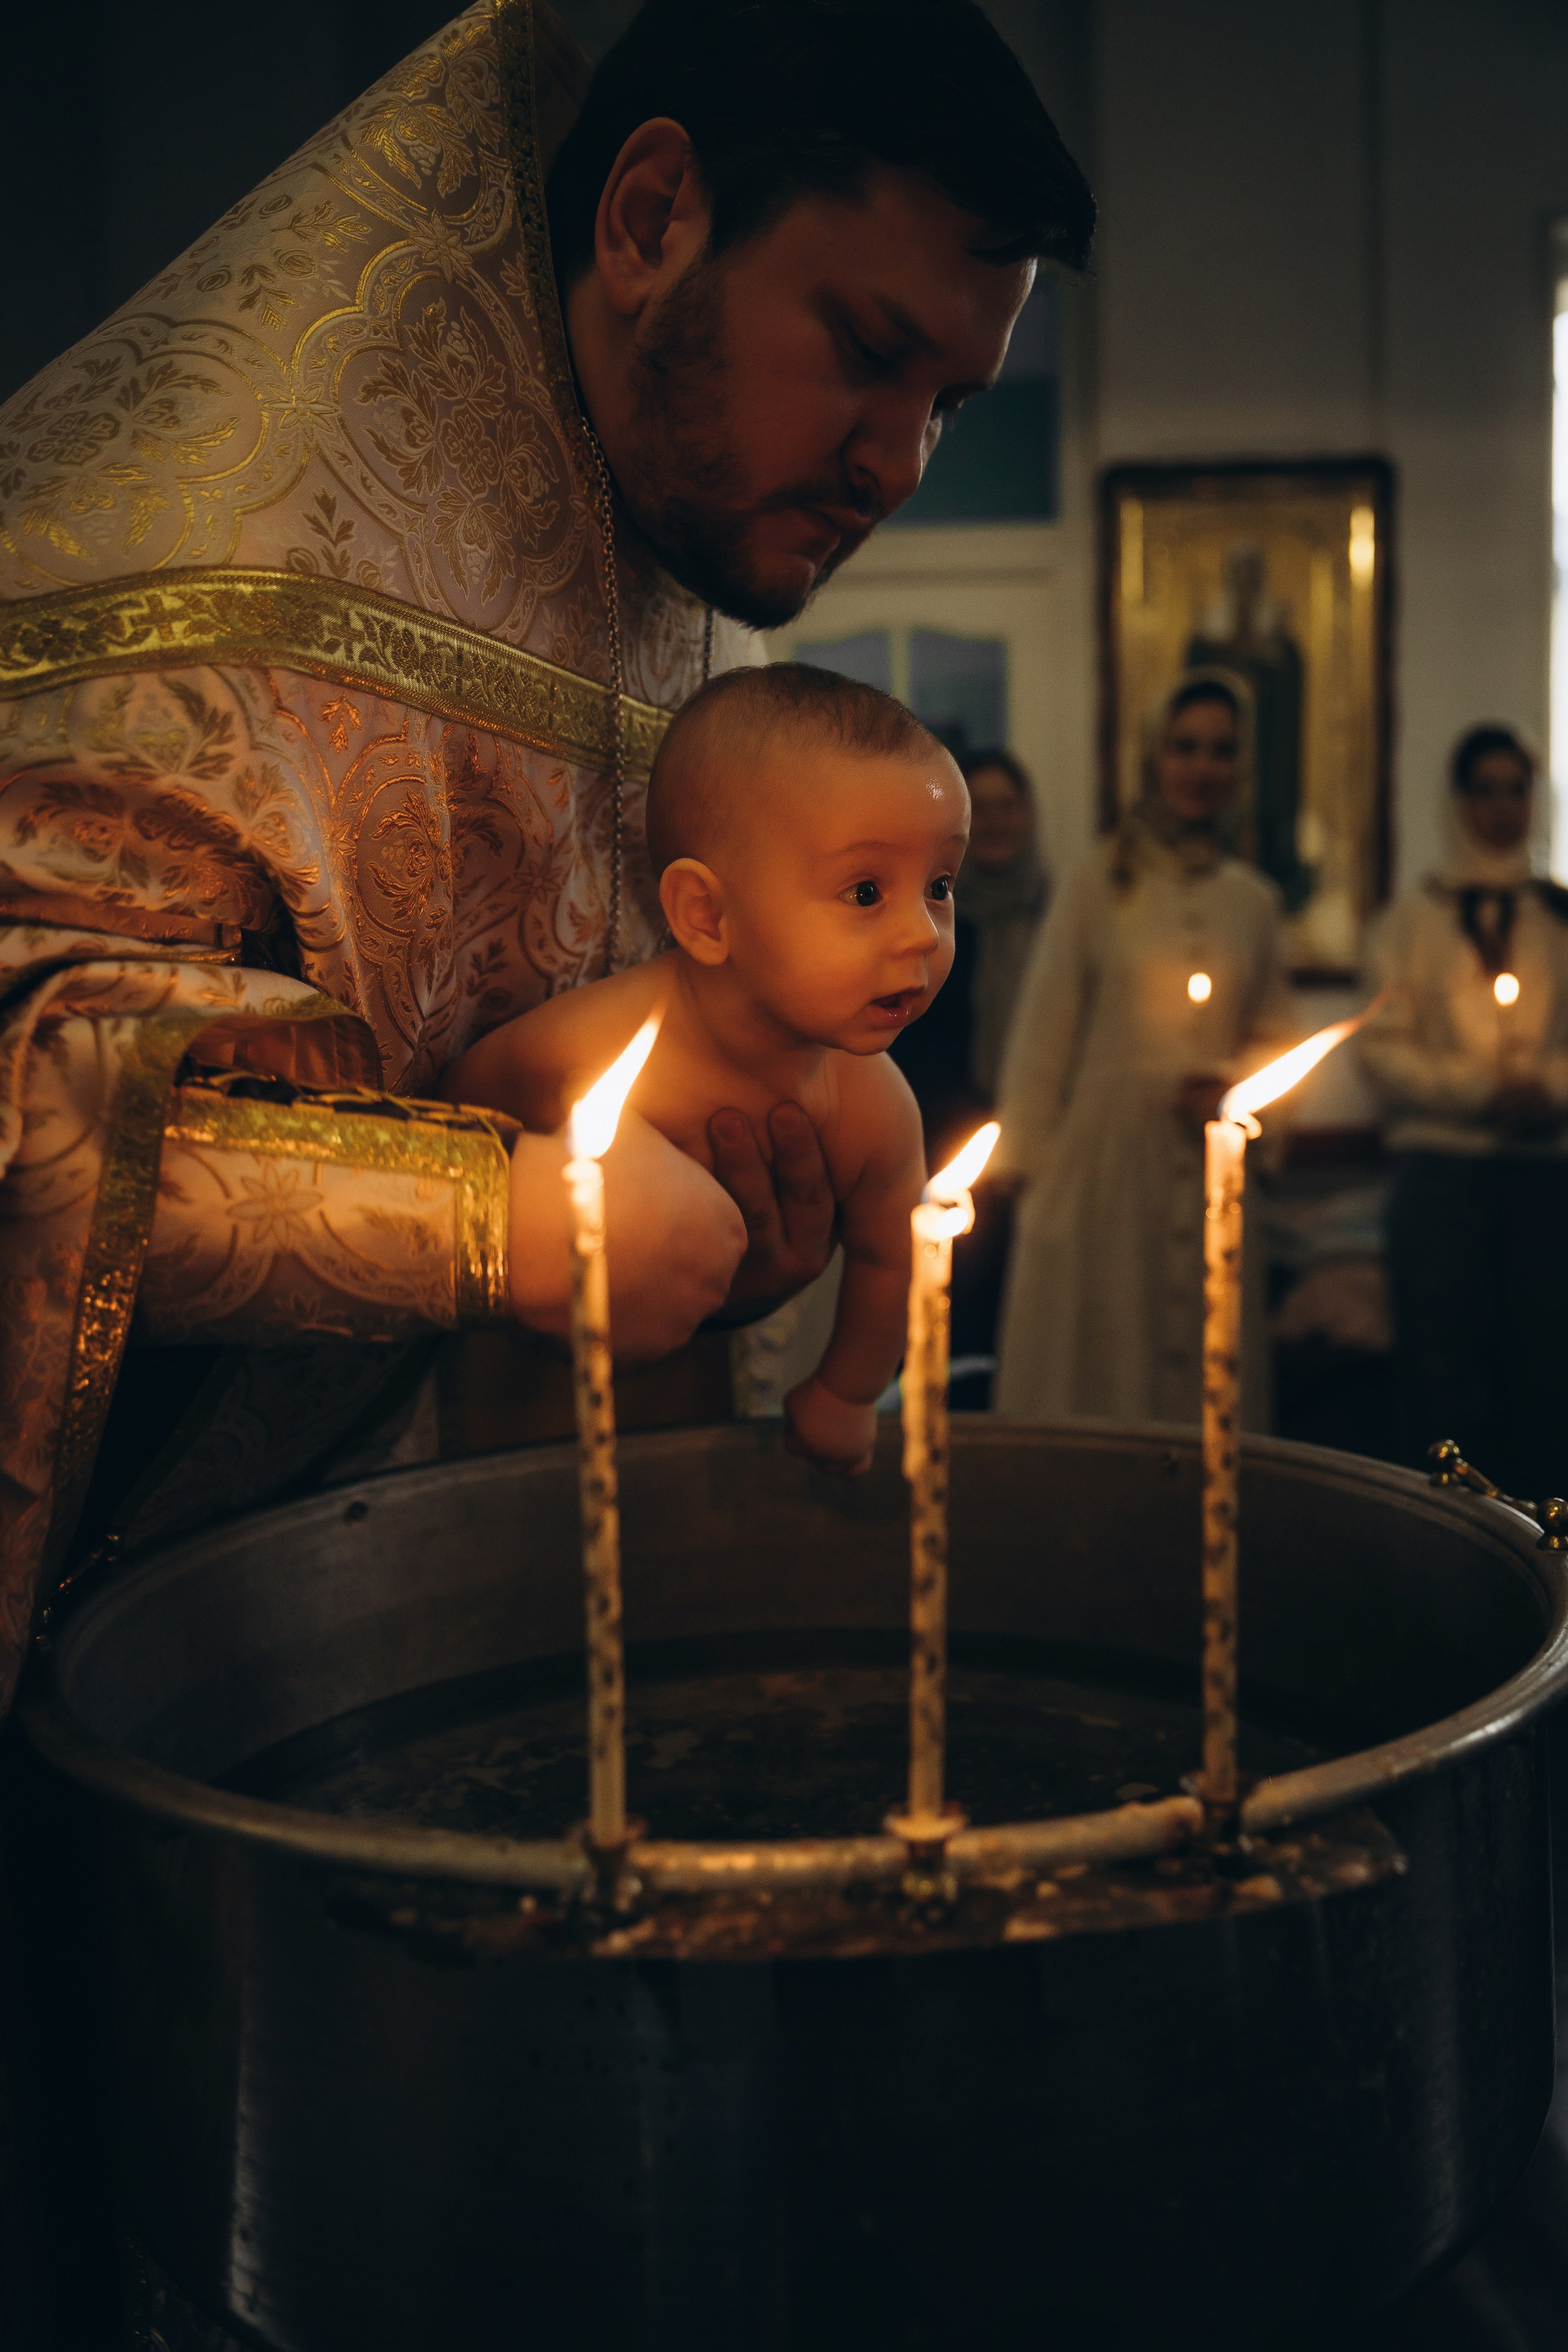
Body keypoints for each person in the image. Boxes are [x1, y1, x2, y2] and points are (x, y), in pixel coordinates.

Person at [0, 0, 1094, 1707]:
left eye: (950, 400)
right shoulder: (214, 579)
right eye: (870, 350)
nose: (899, 465)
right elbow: (29, 1097)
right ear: (652, 219)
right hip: (125, 1660)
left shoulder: (681, 540)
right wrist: (492, 1219)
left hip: (454, 1620)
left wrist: (742, 1244)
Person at [443, 664, 963, 1474]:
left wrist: (847, 1393)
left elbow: (895, 1254)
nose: (923, 935)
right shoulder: (591, 1048)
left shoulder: (872, 1106)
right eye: (867, 892)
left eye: (939, 887)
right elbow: (458, 1112)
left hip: (699, 1401)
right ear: (707, 916)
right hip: (518, 1393)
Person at [993, 676, 1292, 1425]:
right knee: (1102, 1369)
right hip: (1101, 1173)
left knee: (1204, 1378)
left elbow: (1277, 1042)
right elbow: (1043, 1033)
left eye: (1221, 751)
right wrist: (1028, 1175)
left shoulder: (1253, 902)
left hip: (1211, 1168)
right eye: (1185, 747)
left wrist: (1238, 1092)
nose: (1202, 767)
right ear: (1155, 757)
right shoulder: (1099, 882)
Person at [1359, 723, 1568, 1500]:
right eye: (1485, 789)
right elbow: (1382, 1049)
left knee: (1543, 1374)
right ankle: (1446, 1548)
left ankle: (1545, 1559)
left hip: (1543, 1176)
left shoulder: (1558, 915)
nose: (1503, 807)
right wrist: (1480, 1091)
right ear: (1458, 800)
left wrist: (1545, 1086)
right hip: (1442, 1175)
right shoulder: (1412, 920)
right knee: (1443, 1375)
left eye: (1517, 788)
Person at [889, 744, 1046, 1394]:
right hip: (941, 1138)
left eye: (1011, 805)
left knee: (1013, 1324)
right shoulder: (929, 915)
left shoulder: (1052, 912)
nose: (1001, 820)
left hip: (1032, 1142)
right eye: (985, 809)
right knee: (934, 1312)